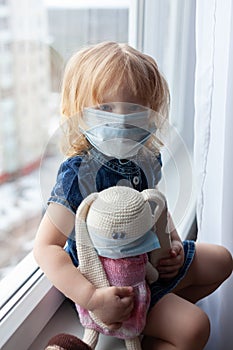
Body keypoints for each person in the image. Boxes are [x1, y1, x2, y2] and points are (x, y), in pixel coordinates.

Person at [33, 41, 233, 350]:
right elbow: (46, 247)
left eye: (135, 110)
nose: (123, 122)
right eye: (106, 108)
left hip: (147, 263)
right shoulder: (79, 173)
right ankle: (137, 319)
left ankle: (149, 315)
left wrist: (174, 243)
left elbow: (156, 209)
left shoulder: (144, 157)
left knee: (221, 261)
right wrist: (93, 298)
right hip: (112, 284)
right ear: (79, 112)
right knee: (195, 328)